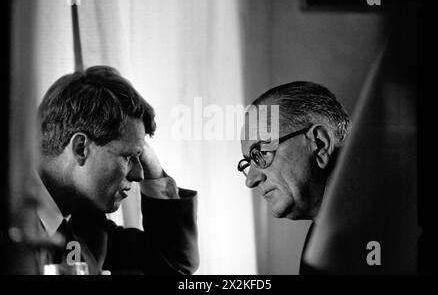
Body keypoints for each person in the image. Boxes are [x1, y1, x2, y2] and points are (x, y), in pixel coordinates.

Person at [36, 65, 198, 275]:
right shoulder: (13, 224)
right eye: (128, 157)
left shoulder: (87, 227)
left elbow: (174, 263)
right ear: (80, 148)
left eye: (138, 158)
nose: (139, 175)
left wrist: (154, 170)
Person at [237, 81, 350, 272]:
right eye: (249, 162)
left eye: (261, 153)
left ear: (320, 144)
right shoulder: (320, 241)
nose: (251, 180)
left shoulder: (389, 234)